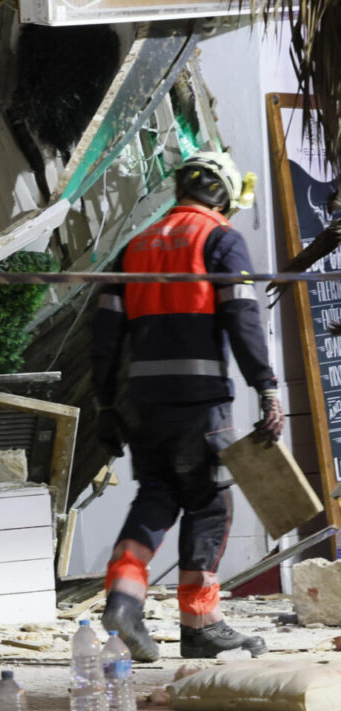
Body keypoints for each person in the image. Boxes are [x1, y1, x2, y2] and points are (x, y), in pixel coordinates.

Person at [91, 150, 284, 661]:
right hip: (199, 404)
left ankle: (124, 601)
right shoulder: (220, 240)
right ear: (220, 193)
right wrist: (266, 387)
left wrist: (106, 405)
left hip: (143, 404)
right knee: (208, 502)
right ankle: (200, 624)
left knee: (156, 495)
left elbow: (104, 336)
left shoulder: (134, 246)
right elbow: (243, 318)